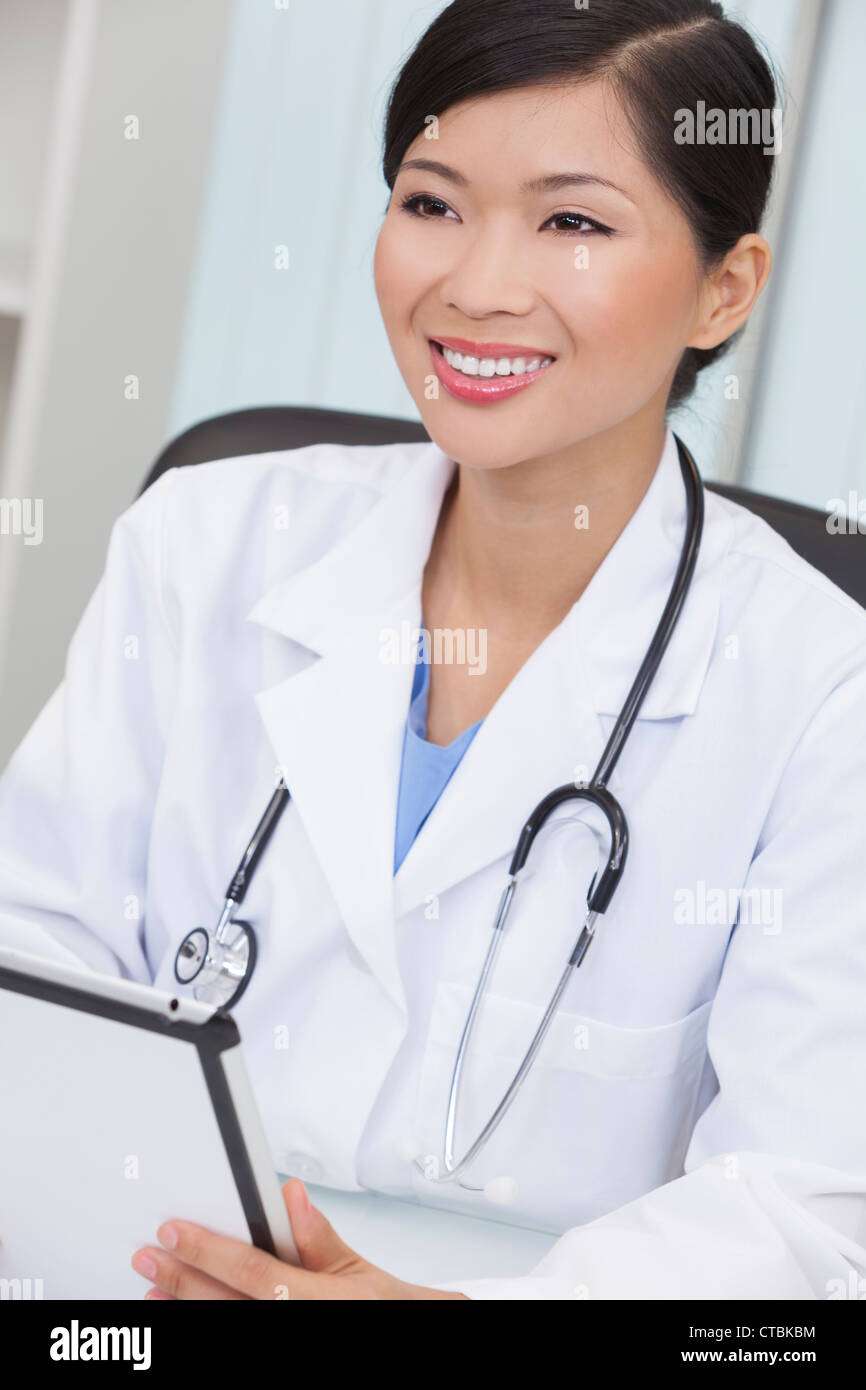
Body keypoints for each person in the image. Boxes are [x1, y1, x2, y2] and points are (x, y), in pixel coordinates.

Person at [2, 0, 865, 1301]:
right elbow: (31, 962)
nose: (473, 283)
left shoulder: (819, 690)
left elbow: (803, 1212)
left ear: (722, 286)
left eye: (570, 220)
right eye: (432, 201)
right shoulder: (206, 541)